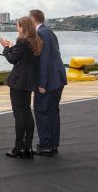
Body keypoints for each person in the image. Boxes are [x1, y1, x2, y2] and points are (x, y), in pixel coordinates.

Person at [0, 17, 42, 159]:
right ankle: (28, 146)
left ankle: (18, 147)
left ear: (23, 27)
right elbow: (22, 57)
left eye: (18, 26)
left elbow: (12, 59)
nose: (17, 28)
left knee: (19, 114)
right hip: (29, 81)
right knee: (27, 112)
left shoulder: (22, 41)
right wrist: (12, 48)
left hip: (18, 82)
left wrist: (5, 47)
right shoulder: (35, 41)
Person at [29, 9, 67, 156]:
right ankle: (53, 144)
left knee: (41, 111)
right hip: (58, 77)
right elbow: (55, 54)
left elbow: (44, 60)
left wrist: (42, 83)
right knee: (53, 112)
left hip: (49, 81)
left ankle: (45, 145)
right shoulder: (49, 31)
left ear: (33, 20)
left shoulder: (40, 33)